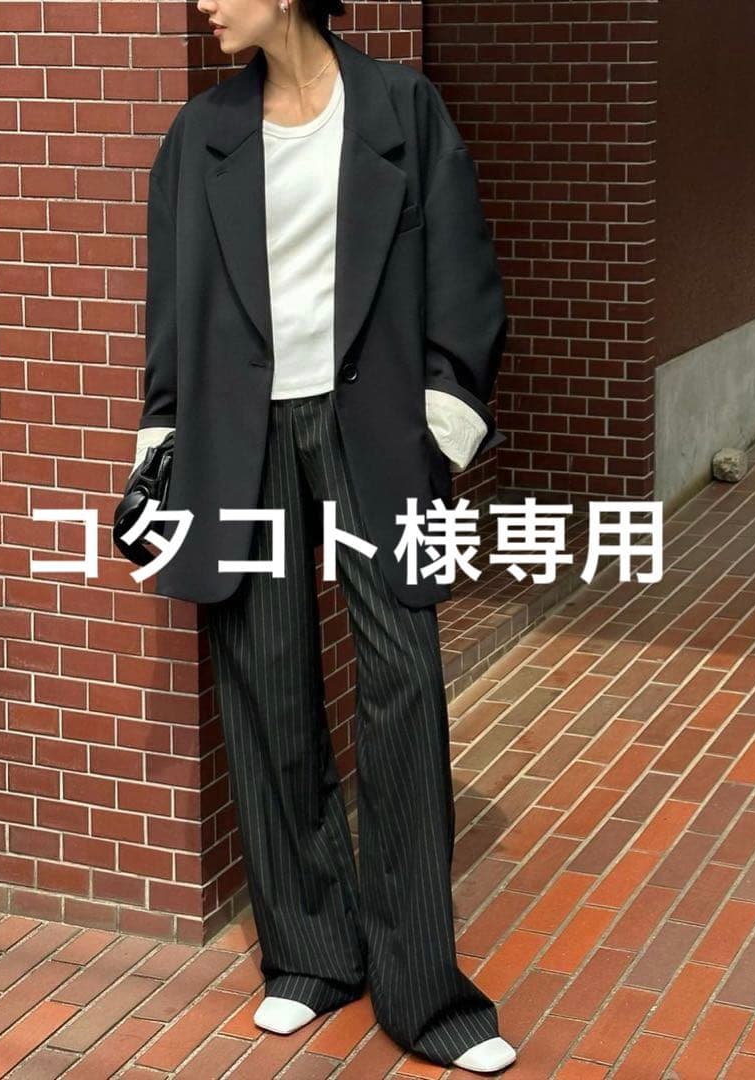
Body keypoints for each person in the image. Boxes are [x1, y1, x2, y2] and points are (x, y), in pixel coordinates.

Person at [129, 0, 515, 1072]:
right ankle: (309, 958)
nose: (205, 2)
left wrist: (444, 416)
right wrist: (161, 438)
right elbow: (173, 306)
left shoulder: (400, 108)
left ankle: (426, 996)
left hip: (374, 428)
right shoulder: (201, 134)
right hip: (237, 436)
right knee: (266, 684)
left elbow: (462, 273)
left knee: (404, 682)